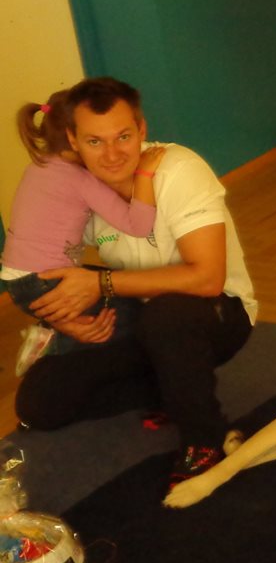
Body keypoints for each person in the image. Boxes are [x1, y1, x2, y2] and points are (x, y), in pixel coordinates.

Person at [15, 76, 256, 485]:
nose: (112, 155)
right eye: (95, 141)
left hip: (214, 313)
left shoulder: (179, 169)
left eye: (123, 136)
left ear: (141, 129)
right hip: (136, 314)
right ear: (73, 140)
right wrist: (64, 318)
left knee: (167, 316)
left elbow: (207, 279)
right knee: (40, 403)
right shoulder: (75, 186)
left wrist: (100, 285)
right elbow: (45, 267)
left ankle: (205, 438)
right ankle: (173, 386)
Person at [3, 92, 165, 373]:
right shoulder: (80, 179)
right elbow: (139, 226)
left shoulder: (39, 165)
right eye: (95, 139)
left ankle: (52, 335)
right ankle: (54, 351)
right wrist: (144, 174)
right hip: (44, 281)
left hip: (18, 280)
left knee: (106, 298)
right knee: (128, 315)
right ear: (75, 138)